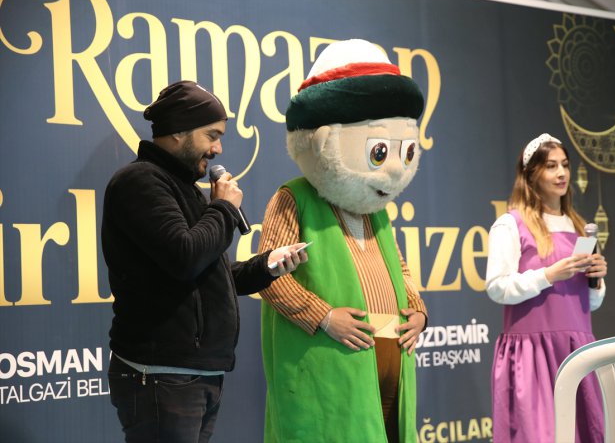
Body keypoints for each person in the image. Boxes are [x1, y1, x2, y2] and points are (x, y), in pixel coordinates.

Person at [101, 80, 308, 443]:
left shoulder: (185, 189)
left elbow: (209, 274)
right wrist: (224, 207)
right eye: (211, 135)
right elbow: (187, 258)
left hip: (190, 374)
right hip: (160, 374)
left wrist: (266, 266)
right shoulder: (139, 182)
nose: (218, 149)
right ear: (178, 131)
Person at [257, 39, 427, 443]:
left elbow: (398, 268)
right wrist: (323, 316)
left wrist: (418, 311)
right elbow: (270, 275)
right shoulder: (294, 198)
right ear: (320, 141)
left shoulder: (376, 211)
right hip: (329, 366)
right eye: (379, 152)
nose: (393, 171)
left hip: (390, 355)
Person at [486, 133, 608, 442]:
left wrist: (597, 280)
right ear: (531, 175)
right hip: (532, 357)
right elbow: (497, 287)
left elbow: (590, 304)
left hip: (576, 352)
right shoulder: (510, 224)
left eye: (565, 165)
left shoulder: (579, 227)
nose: (561, 173)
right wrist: (548, 275)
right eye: (551, 166)